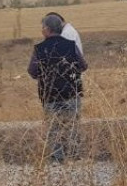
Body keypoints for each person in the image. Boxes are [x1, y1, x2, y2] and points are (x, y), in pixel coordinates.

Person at [28, 14, 87, 164]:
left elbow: (32, 71)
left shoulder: (39, 49)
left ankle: (57, 158)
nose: (42, 30)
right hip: (72, 93)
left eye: (42, 28)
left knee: (53, 128)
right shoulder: (71, 45)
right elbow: (83, 66)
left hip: (50, 95)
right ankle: (73, 156)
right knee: (72, 125)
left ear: (47, 29)